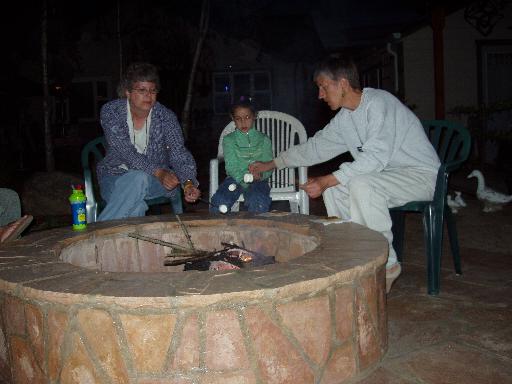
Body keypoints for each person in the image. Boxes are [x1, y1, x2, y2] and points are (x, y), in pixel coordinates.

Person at [249, 56, 440, 293]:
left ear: (342, 84)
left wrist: (326, 179)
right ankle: (357, 258)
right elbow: (315, 148)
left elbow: (374, 158)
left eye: (323, 86)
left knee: (361, 184)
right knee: (337, 189)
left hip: (420, 176)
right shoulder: (346, 118)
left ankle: (386, 265)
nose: (320, 94)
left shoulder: (380, 104)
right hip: (385, 177)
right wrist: (273, 163)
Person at [96, 62, 200, 221]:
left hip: (155, 183)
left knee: (139, 178)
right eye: (142, 90)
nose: (148, 95)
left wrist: (188, 183)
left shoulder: (166, 118)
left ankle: (97, 235)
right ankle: (127, 244)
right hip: (114, 175)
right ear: (128, 92)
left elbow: (178, 153)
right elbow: (125, 152)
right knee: (136, 205)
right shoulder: (112, 112)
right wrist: (159, 172)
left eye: (153, 90)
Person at [211, 99, 273, 213]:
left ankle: (255, 229)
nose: (243, 122)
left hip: (258, 180)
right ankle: (222, 229)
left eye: (247, 117)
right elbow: (231, 166)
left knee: (258, 201)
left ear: (254, 116)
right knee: (219, 201)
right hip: (235, 179)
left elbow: (269, 165)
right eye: (238, 119)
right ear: (233, 119)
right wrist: (244, 181)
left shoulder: (264, 140)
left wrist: (261, 175)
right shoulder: (229, 140)